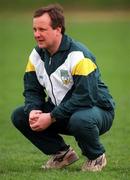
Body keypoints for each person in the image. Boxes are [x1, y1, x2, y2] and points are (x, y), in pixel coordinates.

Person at [11, 4, 115, 172]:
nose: (37, 34)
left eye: (42, 29)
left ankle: (96, 157)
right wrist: (33, 110)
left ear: (58, 29)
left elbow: (85, 98)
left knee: (80, 120)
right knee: (20, 115)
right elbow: (32, 90)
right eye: (34, 29)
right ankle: (62, 154)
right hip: (63, 111)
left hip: (96, 110)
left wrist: (51, 117)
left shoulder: (79, 56)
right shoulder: (36, 55)